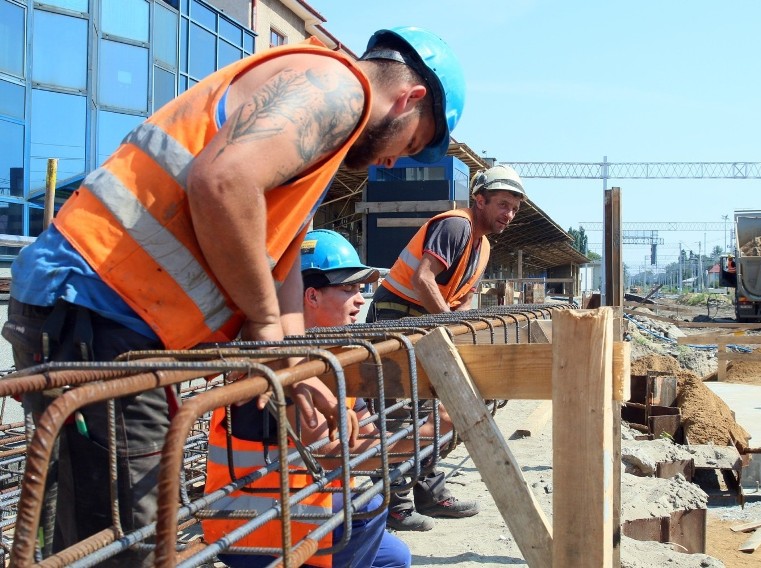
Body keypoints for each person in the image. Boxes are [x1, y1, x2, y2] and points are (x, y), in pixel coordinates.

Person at [2, 27, 465, 565]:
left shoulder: (315, 150)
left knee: (97, 536)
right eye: (407, 145)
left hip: (106, 318)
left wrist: (302, 377)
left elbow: (281, 272)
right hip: (90, 306)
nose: (391, 163)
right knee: (124, 547)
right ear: (408, 100)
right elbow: (222, 181)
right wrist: (266, 326)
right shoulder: (338, 88)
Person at [204, 229, 452, 567]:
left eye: (360, 289)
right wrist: (431, 433)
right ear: (310, 296)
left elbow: (363, 436)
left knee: (395, 558)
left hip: (301, 509)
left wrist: (434, 432)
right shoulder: (281, 365)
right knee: (367, 507)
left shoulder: (332, 359)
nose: (361, 299)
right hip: (256, 529)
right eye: (348, 289)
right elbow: (332, 456)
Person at [367, 164, 526, 531]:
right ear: (480, 200)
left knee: (429, 411)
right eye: (502, 204)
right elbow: (424, 278)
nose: (509, 214)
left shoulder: (482, 246)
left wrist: (461, 334)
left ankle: (429, 495)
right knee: (398, 415)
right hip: (396, 317)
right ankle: (395, 505)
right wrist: (448, 326)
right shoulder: (458, 226)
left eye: (514, 208)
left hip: (423, 322)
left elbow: (462, 300)